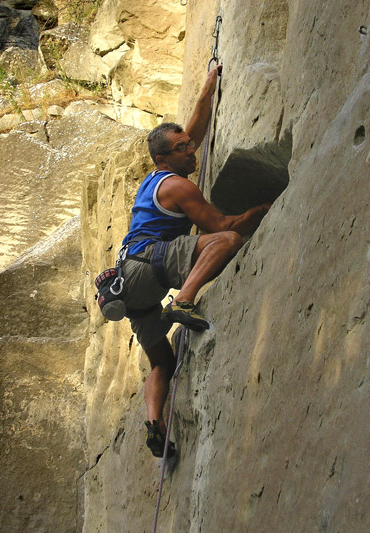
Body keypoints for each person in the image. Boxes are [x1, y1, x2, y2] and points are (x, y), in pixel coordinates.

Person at [119, 65, 270, 457]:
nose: (193, 150)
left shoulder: (160, 175)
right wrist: (262, 210)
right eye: (184, 148)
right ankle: (183, 299)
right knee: (227, 239)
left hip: (130, 286)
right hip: (149, 264)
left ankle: (154, 422)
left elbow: (195, 129)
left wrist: (209, 84)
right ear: (163, 157)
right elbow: (221, 225)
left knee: (161, 363)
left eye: (189, 144)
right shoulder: (178, 186)